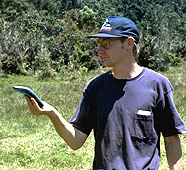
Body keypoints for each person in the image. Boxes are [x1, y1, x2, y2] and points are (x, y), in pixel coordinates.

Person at [25, 16, 186, 170]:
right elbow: (76, 142)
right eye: (99, 44)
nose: (100, 50)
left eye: (106, 44)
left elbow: (171, 138)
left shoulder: (157, 85)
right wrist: (52, 114)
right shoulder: (94, 87)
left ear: (129, 43)